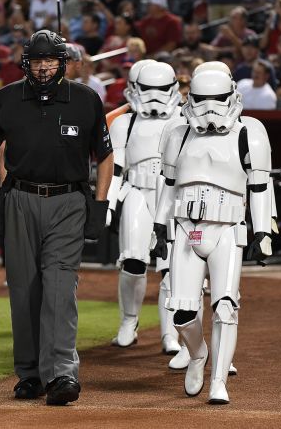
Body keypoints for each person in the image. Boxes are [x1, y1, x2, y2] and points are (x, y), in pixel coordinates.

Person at [0, 29, 114, 406]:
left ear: (63, 62)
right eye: (36, 60)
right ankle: (29, 374)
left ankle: (61, 374)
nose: (43, 67)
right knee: (23, 290)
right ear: (26, 63)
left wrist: (101, 204)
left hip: (69, 201)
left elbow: (104, 156)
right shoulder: (5, 99)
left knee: (59, 288)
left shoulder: (86, 99)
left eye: (50, 60)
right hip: (19, 198)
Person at [151, 63, 274, 404]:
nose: (208, 107)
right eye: (200, 99)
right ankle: (198, 352)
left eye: (216, 99)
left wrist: (263, 232)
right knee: (183, 312)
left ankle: (219, 380)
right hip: (186, 228)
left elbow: (261, 185)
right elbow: (169, 184)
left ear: (231, 96)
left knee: (224, 307)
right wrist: (160, 226)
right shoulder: (178, 132)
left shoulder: (250, 132)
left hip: (228, 229)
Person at [103, 61, 185, 357]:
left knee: (172, 266)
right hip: (136, 190)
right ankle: (128, 322)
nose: (154, 96)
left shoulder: (184, 119)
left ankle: (170, 331)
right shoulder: (125, 123)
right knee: (133, 260)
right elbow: (115, 170)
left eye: (161, 89)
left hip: (172, 194)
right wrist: (108, 204)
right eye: (148, 89)